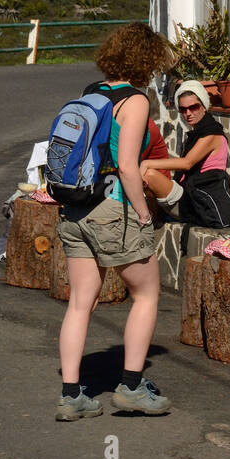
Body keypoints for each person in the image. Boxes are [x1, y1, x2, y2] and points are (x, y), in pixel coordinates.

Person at [55, 23, 173, 421]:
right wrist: (142, 211)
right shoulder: (135, 101)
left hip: (76, 209)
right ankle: (132, 387)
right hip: (112, 208)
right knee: (146, 295)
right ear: (147, 60)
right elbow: (126, 165)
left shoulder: (92, 92)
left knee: (80, 303)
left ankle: (72, 395)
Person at [140, 81, 230, 228]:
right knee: (145, 178)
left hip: (195, 202)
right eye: (183, 109)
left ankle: (148, 217)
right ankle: (152, 217)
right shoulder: (197, 134)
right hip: (187, 194)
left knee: (149, 175)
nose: (188, 113)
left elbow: (186, 163)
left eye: (193, 107)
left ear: (203, 106)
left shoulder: (211, 134)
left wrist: (147, 163)